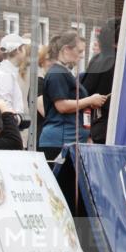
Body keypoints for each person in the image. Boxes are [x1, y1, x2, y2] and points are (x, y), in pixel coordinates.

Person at [38, 32, 107, 163]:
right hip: (59, 141)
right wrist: (90, 100)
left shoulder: (64, 73)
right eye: (79, 51)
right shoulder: (57, 73)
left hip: (71, 140)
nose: (81, 56)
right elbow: (62, 106)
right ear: (66, 50)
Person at [79, 18, 120, 144]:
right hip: (105, 127)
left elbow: (84, 90)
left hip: (98, 126)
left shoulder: (98, 59)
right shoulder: (116, 61)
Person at [0, 34, 27, 115]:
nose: (25, 52)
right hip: (9, 122)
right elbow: (7, 108)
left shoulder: (2, 71)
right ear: (18, 50)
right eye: (23, 48)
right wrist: (17, 119)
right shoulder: (6, 74)